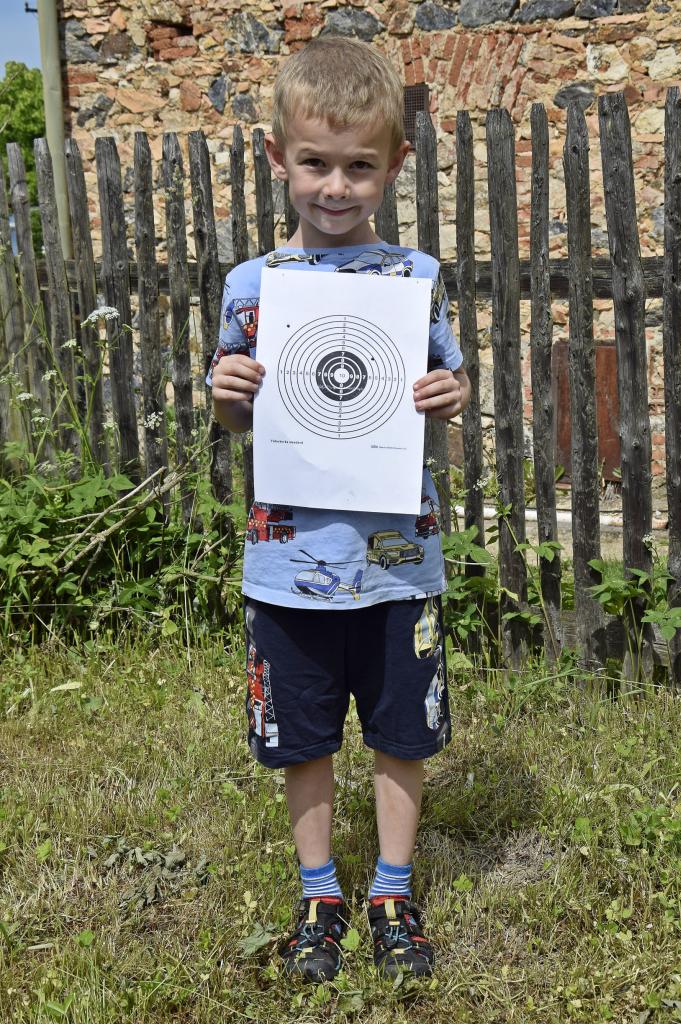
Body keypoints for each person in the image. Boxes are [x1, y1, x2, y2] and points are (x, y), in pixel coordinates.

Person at [208, 35, 471, 982]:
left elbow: (446, 382)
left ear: (394, 165)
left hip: (399, 563)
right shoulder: (251, 288)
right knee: (303, 734)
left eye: (359, 167)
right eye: (315, 163)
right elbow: (238, 415)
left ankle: (391, 891)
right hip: (288, 568)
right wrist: (227, 393)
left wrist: (451, 393)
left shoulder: (415, 278)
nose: (334, 186)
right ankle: (319, 892)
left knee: (403, 732)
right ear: (277, 156)